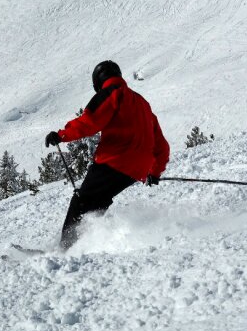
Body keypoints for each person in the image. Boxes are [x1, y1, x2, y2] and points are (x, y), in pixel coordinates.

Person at [44, 61, 169, 250]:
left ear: (97, 82)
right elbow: (161, 145)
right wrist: (154, 171)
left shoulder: (110, 93)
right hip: (137, 169)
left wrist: (61, 135)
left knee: (82, 200)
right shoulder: (142, 103)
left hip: (114, 161)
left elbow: (89, 122)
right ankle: (87, 243)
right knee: (97, 201)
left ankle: (65, 249)